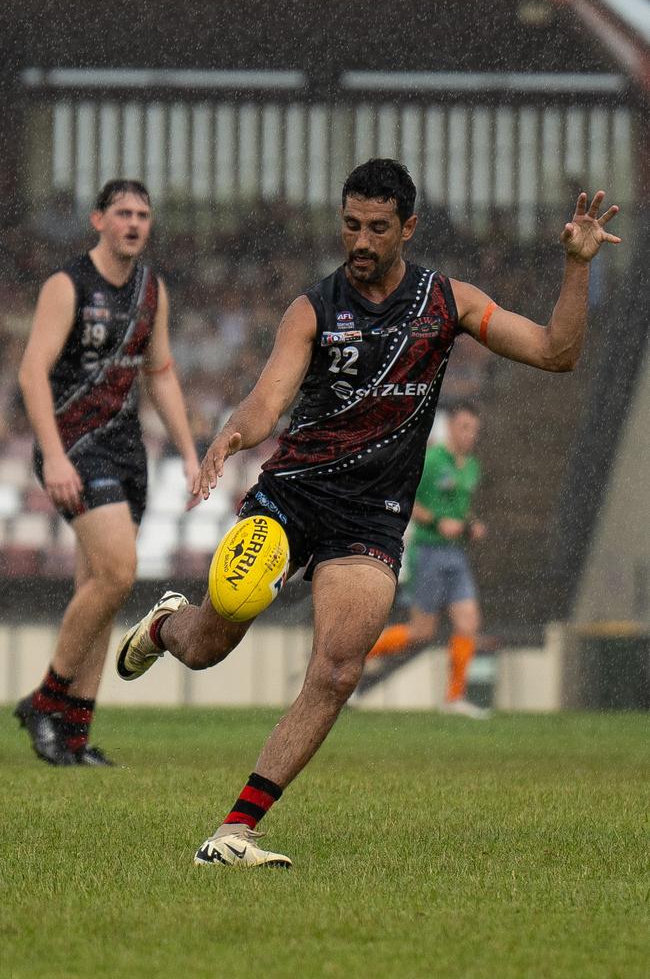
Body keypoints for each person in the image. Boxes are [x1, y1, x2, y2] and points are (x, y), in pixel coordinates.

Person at [116, 159, 620, 868]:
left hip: (372, 517)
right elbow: (268, 400)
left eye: (377, 227)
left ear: (408, 228)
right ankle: (168, 624)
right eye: (351, 224)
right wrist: (231, 435)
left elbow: (556, 352)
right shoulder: (314, 308)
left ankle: (235, 831)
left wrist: (576, 267)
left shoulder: (446, 303)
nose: (360, 239)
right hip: (293, 496)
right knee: (206, 647)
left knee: (338, 670)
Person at [15, 179, 199, 767]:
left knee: (99, 587)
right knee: (120, 572)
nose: (134, 223)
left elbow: (161, 373)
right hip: (74, 448)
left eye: (143, 215)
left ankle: (73, 735)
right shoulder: (68, 285)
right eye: (122, 212)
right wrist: (55, 455)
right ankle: (45, 700)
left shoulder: (152, 290)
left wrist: (190, 451)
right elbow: (31, 375)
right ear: (98, 219)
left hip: (125, 452)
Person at [366, 402, 489, 717]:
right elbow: (411, 503)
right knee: (422, 631)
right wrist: (437, 522)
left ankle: (454, 698)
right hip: (430, 551)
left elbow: (460, 508)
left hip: (456, 554)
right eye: (464, 427)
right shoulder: (433, 461)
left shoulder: (472, 465)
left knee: (468, 622)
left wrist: (471, 525)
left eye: (474, 429)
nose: (469, 434)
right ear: (450, 428)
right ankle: (361, 653)